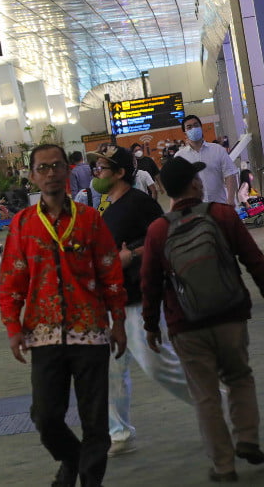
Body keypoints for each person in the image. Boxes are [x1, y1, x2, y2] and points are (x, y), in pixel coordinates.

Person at [0, 144, 127, 487]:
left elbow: (110, 271)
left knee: (95, 420)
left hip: (91, 332)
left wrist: (119, 322)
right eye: (42, 168)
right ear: (32, 176)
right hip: (43, 334)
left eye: (56, 166)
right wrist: (13, 326)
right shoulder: (23, 224)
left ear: (67, 172)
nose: (50, 172)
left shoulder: (90, 219)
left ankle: (89, 480)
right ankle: (72, 460)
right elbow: (12, 278)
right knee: (45, 416)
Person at [141, 157, 264, 482]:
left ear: (164, 192)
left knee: (205, 394)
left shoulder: (158, 231)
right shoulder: (222, 215)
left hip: (186, 324)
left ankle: (224, 466)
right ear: (196, 185)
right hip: (230, 316)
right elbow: (254, 261)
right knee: (240, 377)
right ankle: (247, 439)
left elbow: (149, 283)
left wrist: (150, 325)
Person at [88, 145, 191, 457]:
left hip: (137, 299)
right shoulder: (108, 207)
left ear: (120, 173)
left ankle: (219, 400)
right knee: (110, 370)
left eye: (103, 168)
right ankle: (118, 433)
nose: (97, 173)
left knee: (160, 366)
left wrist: (130, 255)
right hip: (113, 301)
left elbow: (165, 236)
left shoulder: (139, 203)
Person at [174, 115, 237, 204]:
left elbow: (230, 174)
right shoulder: (179, 157)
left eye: (196, 125)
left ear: (201, 127)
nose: (193, 129)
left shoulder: (217, 149)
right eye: (189, 127)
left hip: (220, 204)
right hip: (195, 209)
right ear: (185, 133)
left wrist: (230, 199)